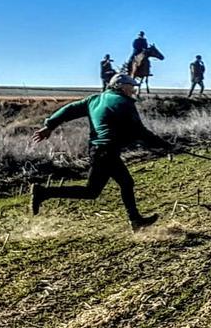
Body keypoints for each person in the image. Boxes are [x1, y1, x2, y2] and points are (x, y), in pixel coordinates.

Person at [29, 73, 173, 231]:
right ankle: (135, 220)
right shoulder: (124, 102)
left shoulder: (94, 100)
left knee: (94, 190)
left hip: (98, 150)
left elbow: (68, 110)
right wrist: (165, 146)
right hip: (107, 151)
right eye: (131, 86)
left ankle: (43, 193)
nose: (133, 90)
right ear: (121, 86)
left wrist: (49, 126)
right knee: (120, 184)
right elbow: (139, 131)